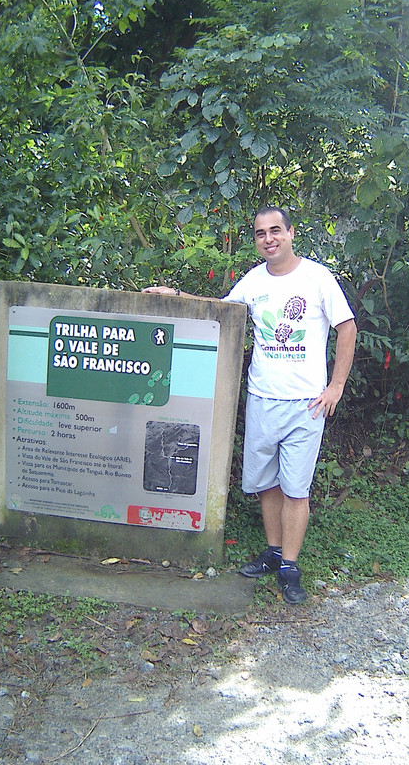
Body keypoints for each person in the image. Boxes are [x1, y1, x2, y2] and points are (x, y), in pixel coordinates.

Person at [144, 206, 356, 604]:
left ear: (292, 233)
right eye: (261, 233)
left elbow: (347, 327)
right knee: (268, 483)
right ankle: (274, 553)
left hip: (306, 404)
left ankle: (290, 567)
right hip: (261, 399)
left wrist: (336, 386)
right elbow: (221, 311)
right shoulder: (254, 281)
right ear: (256, 240)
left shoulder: (316, 278)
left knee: (296, 488)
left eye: (276, 230)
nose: (269, 238)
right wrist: (176, 297)